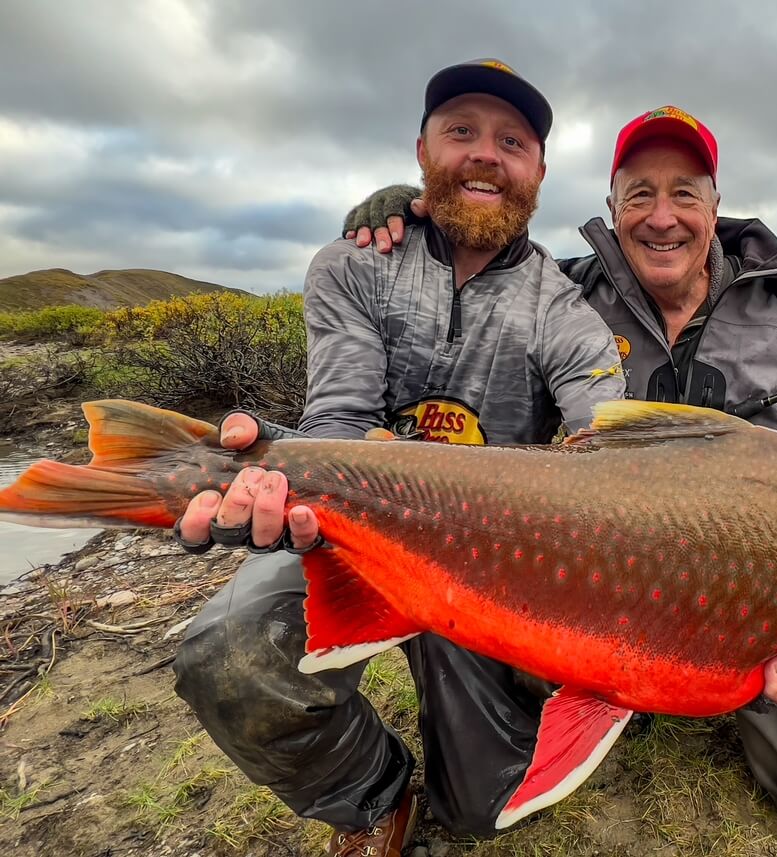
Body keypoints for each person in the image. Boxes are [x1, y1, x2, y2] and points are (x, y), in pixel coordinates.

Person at [341, 104, 777, 823]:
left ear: (715, 206)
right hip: (592, 577)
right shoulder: (560, 300)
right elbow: (468, 316)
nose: (661, 217)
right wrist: (417, 224)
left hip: (760, 595)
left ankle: (735, 689)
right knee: (485, 786)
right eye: (640, 194)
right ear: (611, 208)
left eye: (683, 194)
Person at [170, 59, 632, 857]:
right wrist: (288, 486)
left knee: (486, 808)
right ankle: (374, 797)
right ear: (422, 151)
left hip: (497, 562)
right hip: (352, 535)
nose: (486, 155)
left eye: (511, 141)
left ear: (539, 172)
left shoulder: (566, 309)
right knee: (231, 653)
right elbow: (339, 419)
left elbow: (610, 446)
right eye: (462, 132)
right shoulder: (352, 264)